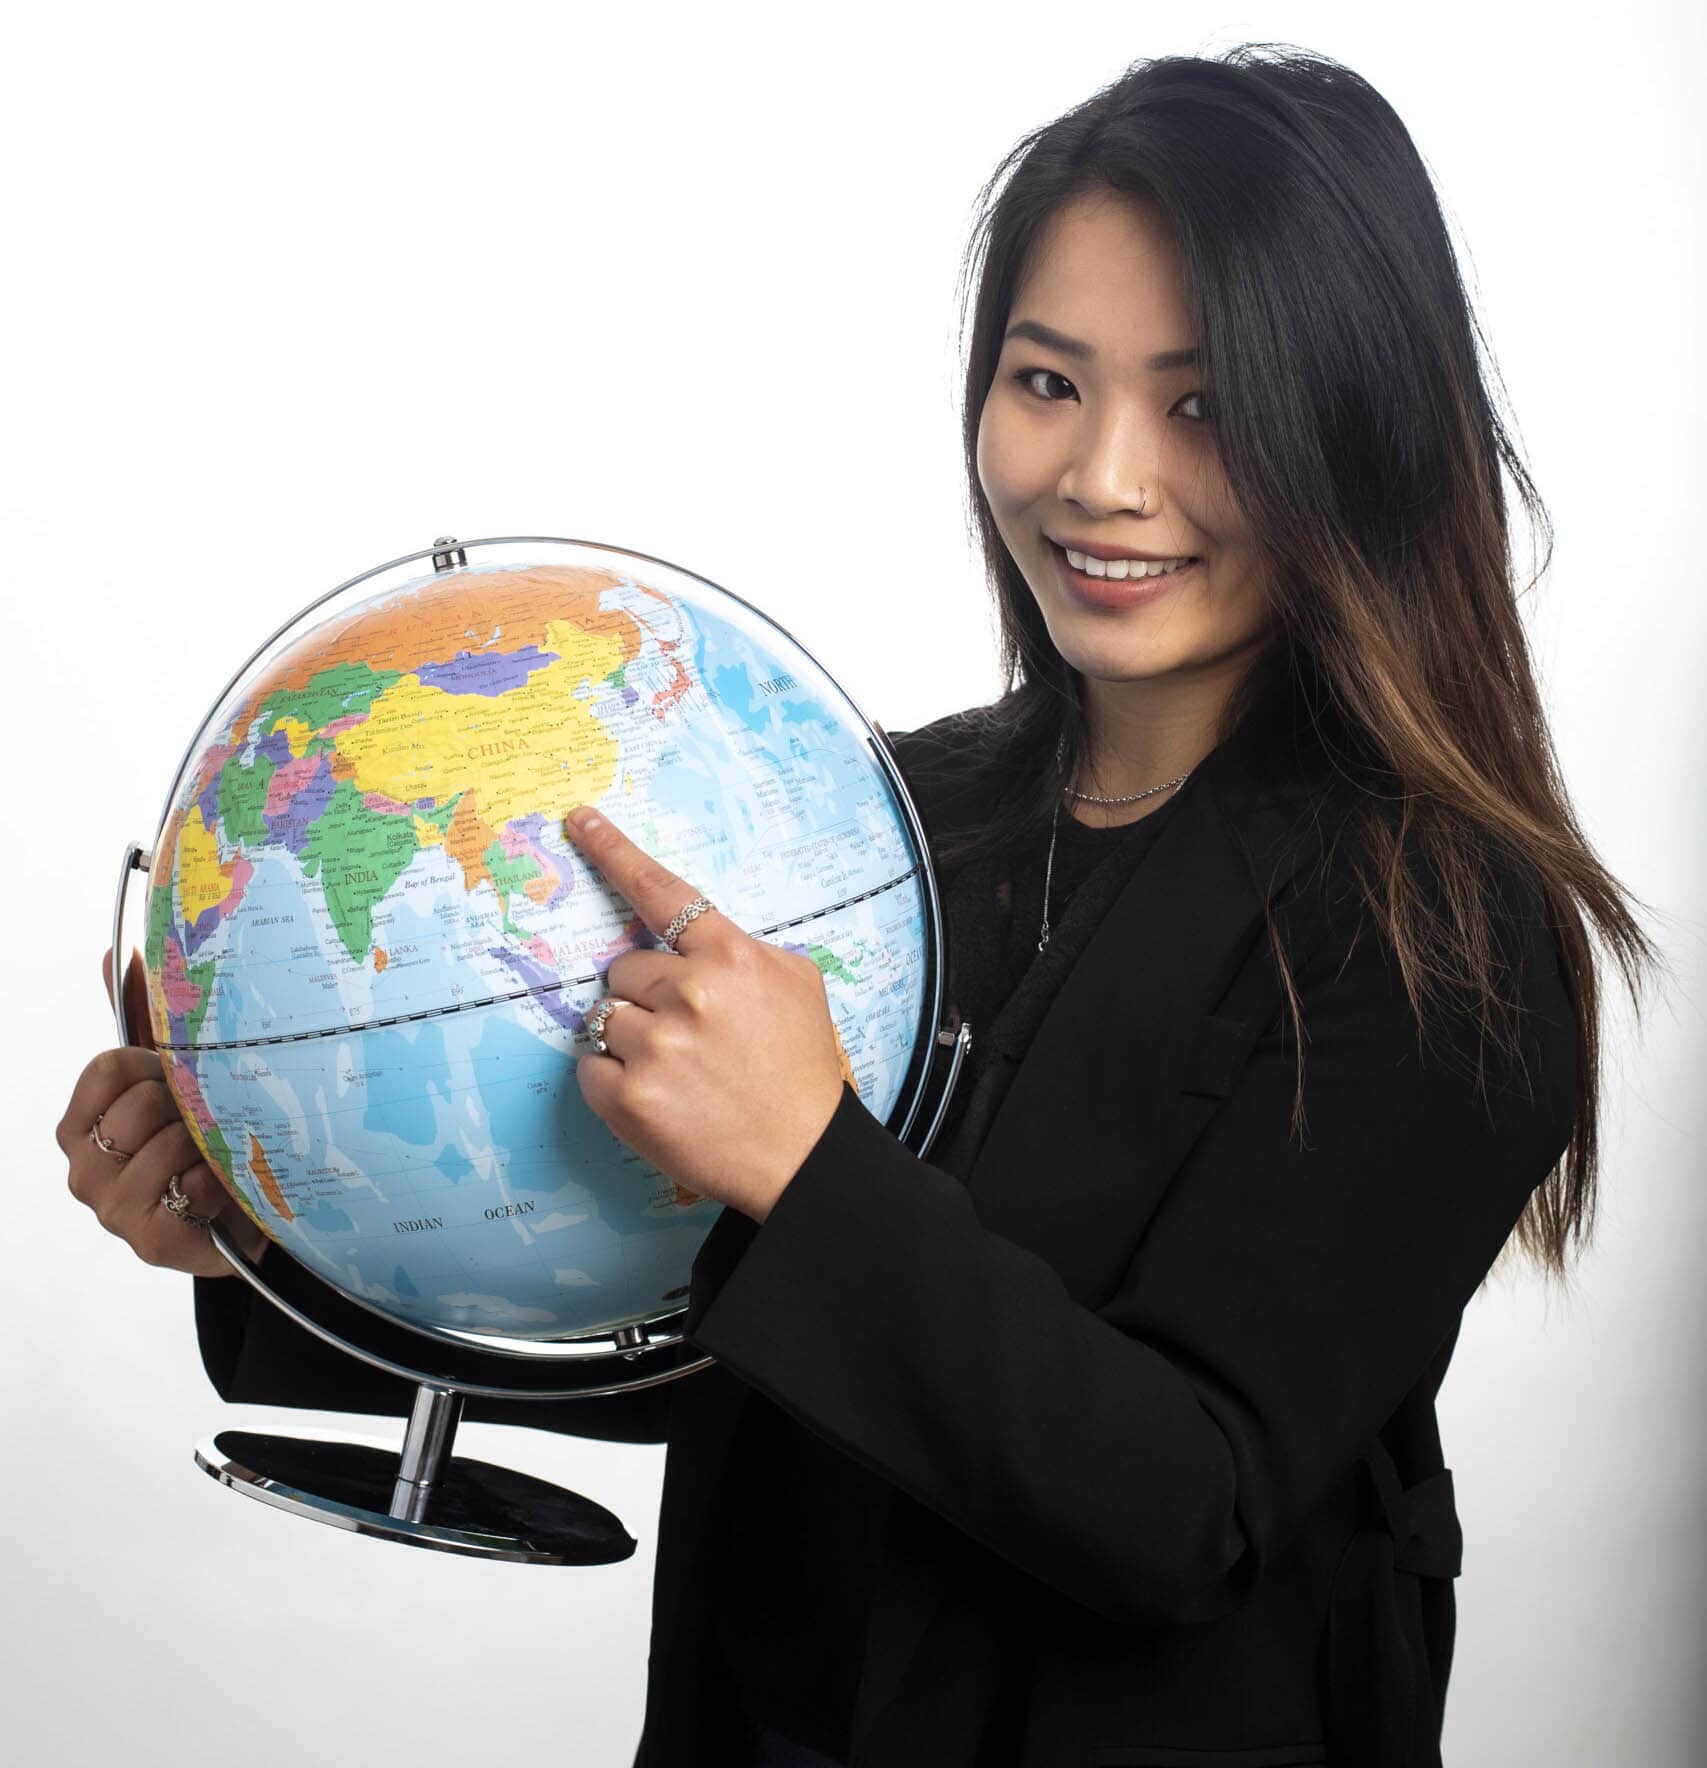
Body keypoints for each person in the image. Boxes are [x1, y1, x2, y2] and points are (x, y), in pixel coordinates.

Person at [57, 43, 1659, 1768]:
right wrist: (268, 1236)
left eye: (1204, 405)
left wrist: (804, 1162)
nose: (1102, 477)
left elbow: (1187, 1509)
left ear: (1356, 424)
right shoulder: (892, 823)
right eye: (1048, 382)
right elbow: (737, 1340)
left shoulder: (1447, 932)